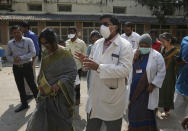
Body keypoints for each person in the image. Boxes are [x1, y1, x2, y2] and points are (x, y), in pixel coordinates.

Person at [75, 14, 133, 131]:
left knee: (112, 127)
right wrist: (85, 62)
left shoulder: (125, 45)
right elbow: (92, 63)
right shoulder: (97, 44)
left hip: (112, 98)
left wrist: (99, 67)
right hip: (95, 97)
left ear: (115, 27)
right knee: (92, 127)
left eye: (106, 24)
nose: (102, 27)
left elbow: (125, 70)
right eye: (101, 24)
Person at [26, 28, 77, 131]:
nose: (45, 46)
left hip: (61, 97)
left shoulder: (65, 53)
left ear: (53, 40)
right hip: (45, 95)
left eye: (47, 43)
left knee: (61, 124)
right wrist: (40, 83)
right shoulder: (45, 53)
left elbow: (72, 73)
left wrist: (59, 84)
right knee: (40, 122)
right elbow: (43, 71)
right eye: (43, 43)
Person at [128, 34, 166, 131]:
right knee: (134, 110)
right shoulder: (133, 53)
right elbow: (126, 67)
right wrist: (133, 59)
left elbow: (162, 71)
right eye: (141, 45)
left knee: (147, 111)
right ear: (138, 45)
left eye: (146, 45)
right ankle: (133, 128)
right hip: (134, 89)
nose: (143, 47)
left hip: (148, 90)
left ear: (150, 46)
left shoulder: (157, 56)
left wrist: (154, 84)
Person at [6, 25, 38, 112]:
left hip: (27, 66)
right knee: (20, 85)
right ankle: (24, 104)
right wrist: (13, 59)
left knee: (32, 85)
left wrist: (21, 57)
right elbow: (8, 55)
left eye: (18, 32)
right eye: (14, 33)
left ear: (21, 32)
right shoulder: (10, 43)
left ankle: (39, 103)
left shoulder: (28, 40)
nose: (16, 34)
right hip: (16, 67)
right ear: (12, 33)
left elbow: (33, 52)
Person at [158, 32, 179, 118]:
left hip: (170, 75)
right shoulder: (162, 49)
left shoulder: (176, 52)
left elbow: (178, 66)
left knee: (168, 92)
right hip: (161, 74)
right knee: (160, 92)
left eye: (163, 41)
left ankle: (166, 111)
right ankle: (160, 107)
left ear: (169, 41)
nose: (162, 43)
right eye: (161, 41)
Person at [66, 26, 87, 105]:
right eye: (69, 32)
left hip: (77, 68)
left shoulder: (81, 43)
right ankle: (70, 99)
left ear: (76, 33)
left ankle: (77, 99)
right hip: (68, 68)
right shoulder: (66, 42)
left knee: (77, 85)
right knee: (69, 84)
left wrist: (84, 67)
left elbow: (85, 55)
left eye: (71, 32)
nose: (70, 33)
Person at [20, 21, 40, 98]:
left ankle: (32, 92)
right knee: (27, 75)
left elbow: (36, 48)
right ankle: (28, 92)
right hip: (26, 57)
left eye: (21, 27)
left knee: (31, 75)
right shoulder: (24, 35)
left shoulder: (31, 35)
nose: (20, 29)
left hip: (32, 57)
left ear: (25, 27)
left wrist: (33, 59)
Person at [174, 36, 188, 119]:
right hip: (182, 84)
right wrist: (178, 60)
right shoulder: (185, 40)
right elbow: (180, 58)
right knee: (178, 113)